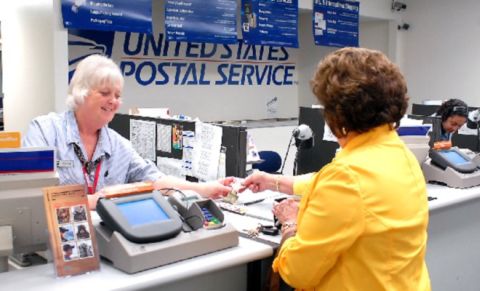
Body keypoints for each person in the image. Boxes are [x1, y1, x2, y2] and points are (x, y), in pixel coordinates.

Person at [242, 47, 431, 290]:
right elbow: (328, 183)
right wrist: (272, 181)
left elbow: (297, 273)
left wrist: (291, 225)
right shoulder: (399, 153)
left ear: (335, 113)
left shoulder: (348, 176)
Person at [23, 54, 233, 209]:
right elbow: (32, 199)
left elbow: (156, 181)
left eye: (118, 95)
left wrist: (206, 189)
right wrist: (93, 201)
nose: (113, 101)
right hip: (56, 245)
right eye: (105, 93)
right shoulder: (44, 131)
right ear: (81, 93)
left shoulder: (118, 145)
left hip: (108, 241)